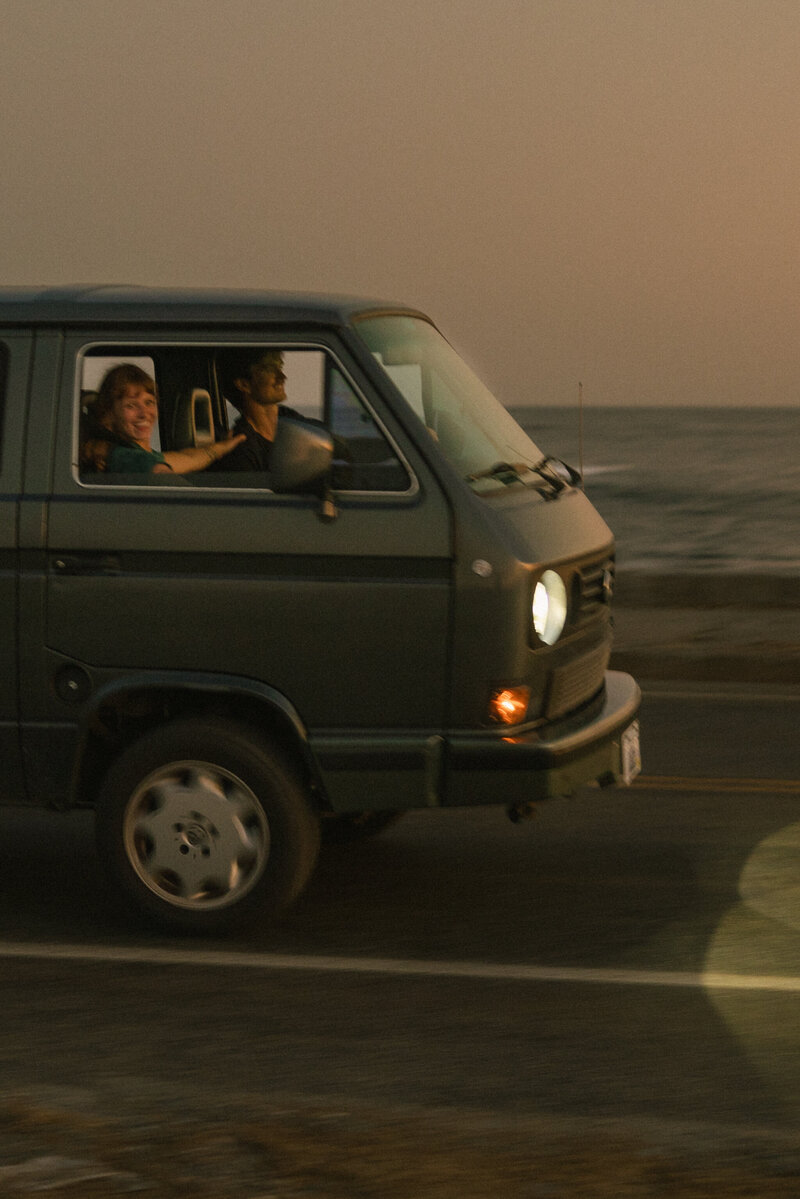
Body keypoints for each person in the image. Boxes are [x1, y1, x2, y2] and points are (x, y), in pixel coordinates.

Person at [83, 364, 244, 475]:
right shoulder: (122, 456)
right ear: (108, 415)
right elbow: (155, 470)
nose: (144, 413)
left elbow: (189, 458)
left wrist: (224, 447)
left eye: (149, 402)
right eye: (131, 405)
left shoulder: (144, 454)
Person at [212, 349, 305, 472]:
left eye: (279, 367)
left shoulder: (291, 419)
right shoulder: (241, 450)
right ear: (244, 384)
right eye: (269, 369)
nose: (282, 377)